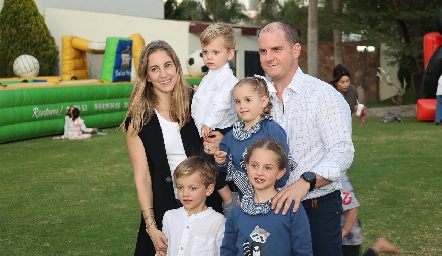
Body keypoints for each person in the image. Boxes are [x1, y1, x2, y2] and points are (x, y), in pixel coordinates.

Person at [257, 22, 355, 256]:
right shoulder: (259, 100)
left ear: (296, 50)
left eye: (276, 49)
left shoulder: (323, 95)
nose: (269, 57)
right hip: (270, 208)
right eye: (263, 51)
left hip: (315, 209)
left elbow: (342, 152)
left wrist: (305, 183)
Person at [119, 40, 223, 256]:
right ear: (146, 75)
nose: (163, 74)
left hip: (206, 205)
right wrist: (150, 225)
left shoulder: (197, 103)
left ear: (176, 66)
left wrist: (220, 140)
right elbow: (143, 178)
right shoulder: (138, 119)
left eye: (167, 65)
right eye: (154, 69)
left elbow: (225, 137)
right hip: (165, 207)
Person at [221, 138, 313, 256]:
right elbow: (228, 251)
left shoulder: (291, 209)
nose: (259, 172)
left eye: (268, 168)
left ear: (280, 173)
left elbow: (303, 252)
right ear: (247, 166)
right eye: (254, 165)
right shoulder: (236, 213)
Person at [214, 76, 295, 201]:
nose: (242, 106)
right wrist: (221, 162)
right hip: (244, 201)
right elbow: (224, 169)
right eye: (237, 101)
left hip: (273, 199)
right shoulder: (231, 136)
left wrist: (277, 189)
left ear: (263, 102)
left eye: (248, 100)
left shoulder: (271, 129)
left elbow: (284, 163)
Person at [191, 23, 239, 216]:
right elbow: (200, 101)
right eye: (205, 52)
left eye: (215, 52)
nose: (209, 57)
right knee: (205, 166)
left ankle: (228, 197)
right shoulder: (209, 76)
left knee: (209, 166)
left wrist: (208, 123)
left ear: (229, 54)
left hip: (219, 129)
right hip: (205, 129)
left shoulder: (226, 78)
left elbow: (221, 104)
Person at [161, 156, 225, 256]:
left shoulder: (217, 222)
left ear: (209, 189)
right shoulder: (169, 217)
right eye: (180, 187)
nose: (185, 194)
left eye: (193, 188)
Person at [341, 173, 364, 256]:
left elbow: (352, 207)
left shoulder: (340, 178)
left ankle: (377, 247)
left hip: (348, 239)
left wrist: (345, 230)